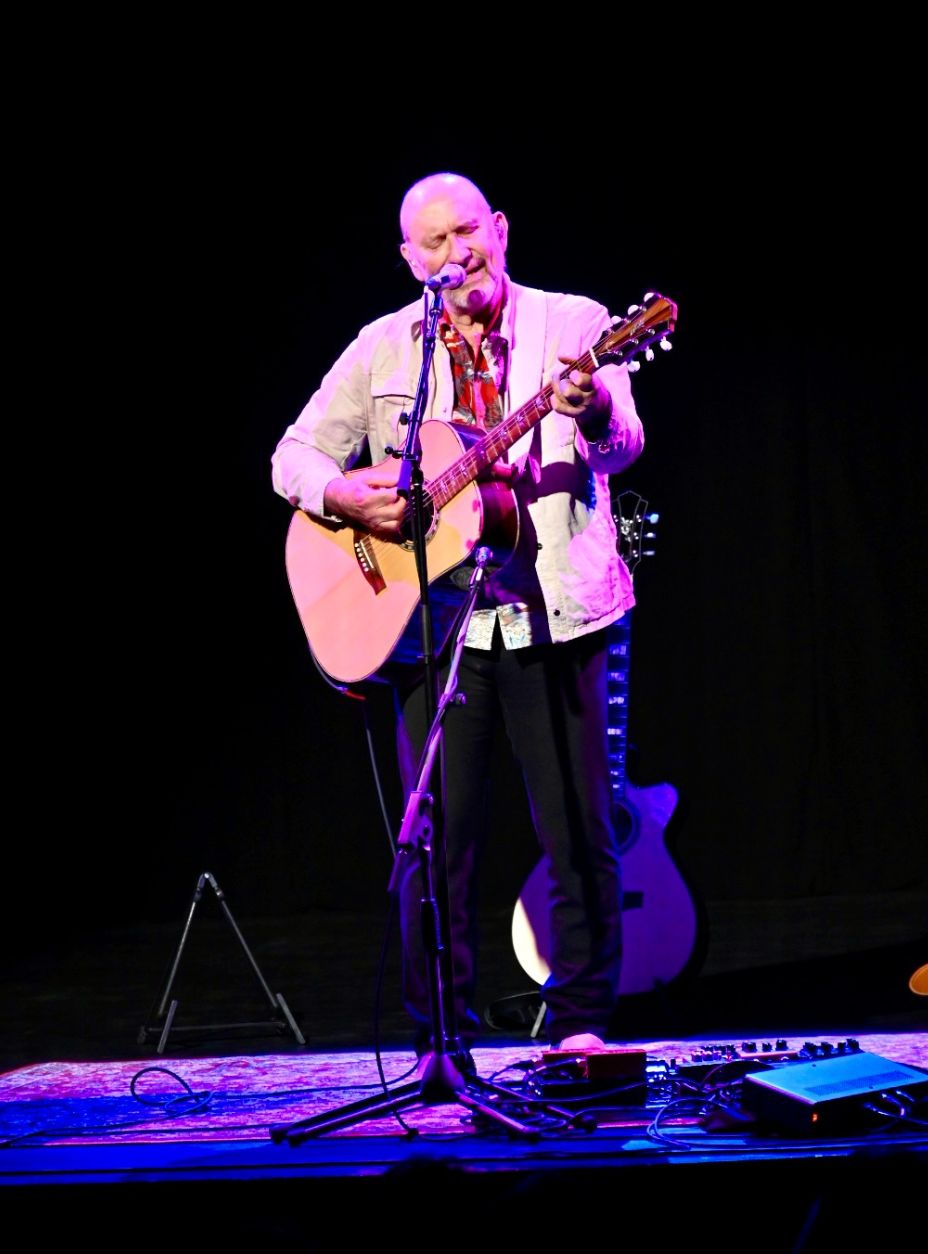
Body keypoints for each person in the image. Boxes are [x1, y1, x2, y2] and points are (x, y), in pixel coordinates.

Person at [271, 171, 645, 1058]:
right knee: (434, 847)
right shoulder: (387, 347)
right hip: (436, 627)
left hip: (557, 613)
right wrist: (343, 496)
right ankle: (442, 1036)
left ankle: (585, 1024)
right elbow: (292, 454)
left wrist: (589, 405)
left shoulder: (577, 325)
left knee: (578, 833)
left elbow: (624, 442)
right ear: (410, 259)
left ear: (501, 229)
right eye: (433, 243)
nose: (456, 254)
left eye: (468, 231)